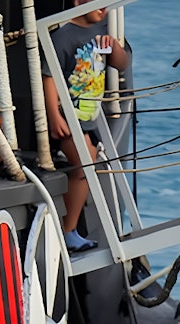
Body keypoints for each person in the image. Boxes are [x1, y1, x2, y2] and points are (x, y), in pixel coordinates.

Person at [44, 0, 129, 252]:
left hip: (89, 116)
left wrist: (114, 46)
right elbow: (48, 77)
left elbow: (121, 64)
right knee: (86, 162)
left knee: (87, 166)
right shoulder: (62, 36)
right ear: (78, 2)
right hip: (68, 115)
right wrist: (53, 116)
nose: (103, 6)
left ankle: (70, 228)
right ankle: (68, 230)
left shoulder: (103, 29)